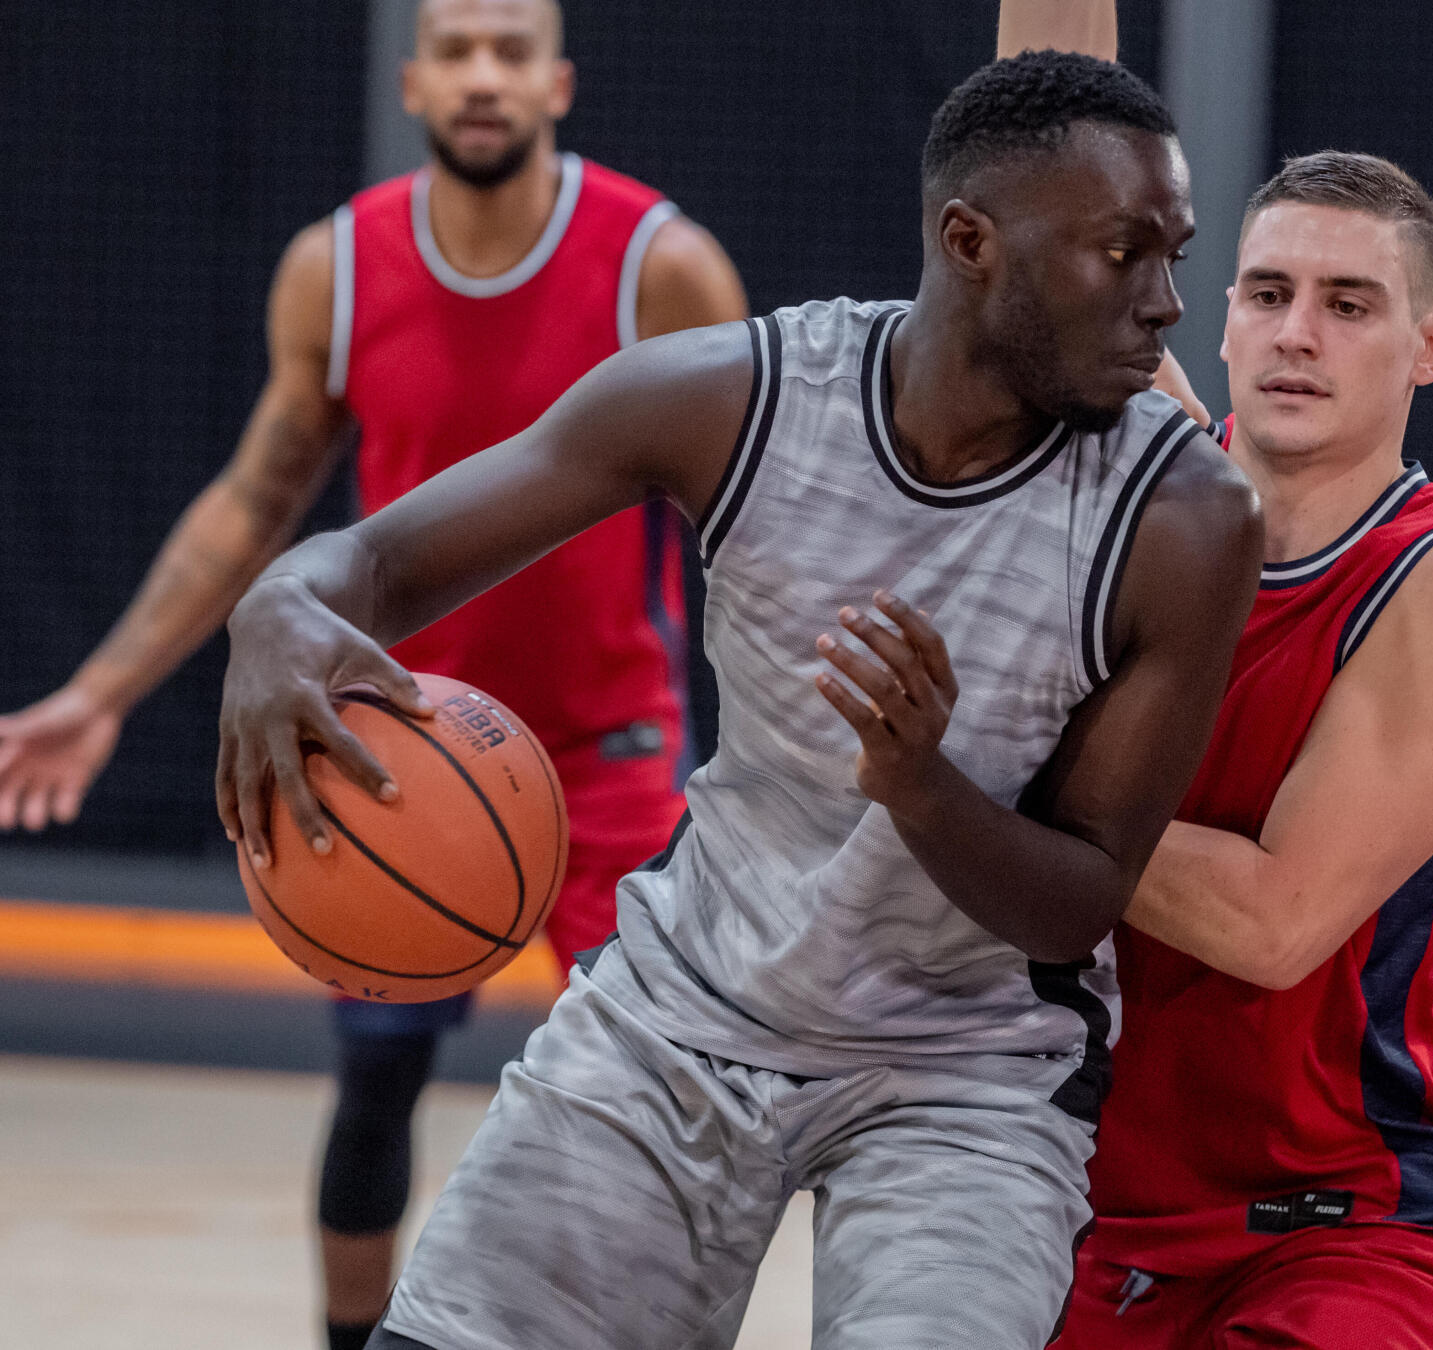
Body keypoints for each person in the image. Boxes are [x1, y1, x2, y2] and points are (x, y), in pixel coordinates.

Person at [215, 50, 1263, 1350]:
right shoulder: (739, 398)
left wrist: (920, 785)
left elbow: (1086, 892)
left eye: (1177, 251)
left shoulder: (1188, 518)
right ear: (970, 240)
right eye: (1124, 253)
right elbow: (369, 562)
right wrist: (273, 613)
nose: (1169, 303)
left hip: (968, 1071)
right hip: (686, 1011)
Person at [0, 3, 747, 1346]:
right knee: (375, 1081)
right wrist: (99, 691)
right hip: (399, 739)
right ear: (411, 79)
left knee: (656, 1094)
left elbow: (756, 522)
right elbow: (252, 503)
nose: (481, 75)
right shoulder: (335, 269)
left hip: (609, 747)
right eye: (455, 48)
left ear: (558, 81)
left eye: (510, 50)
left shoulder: (660, 264)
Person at [1000, 8, 1433, 1347]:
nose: (1299, 331)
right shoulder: (1139, 491)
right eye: (1268, 292)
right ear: (1219, 315)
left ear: (1431, 348)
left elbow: (1270, 922)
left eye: (1350, 304)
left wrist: (979, 771)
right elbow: (1042, 170)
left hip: (1353, 1213)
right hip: (1106, 1199)